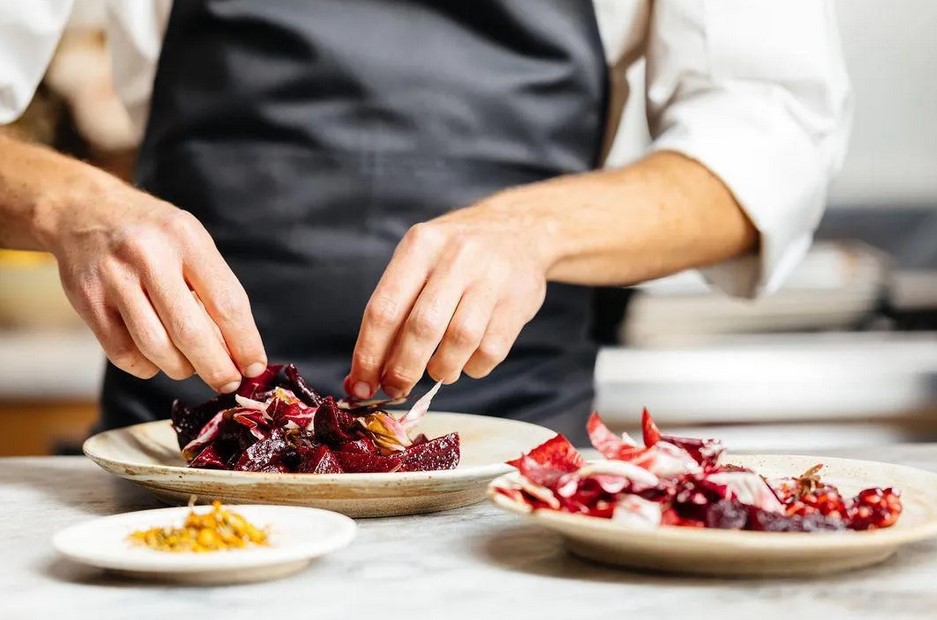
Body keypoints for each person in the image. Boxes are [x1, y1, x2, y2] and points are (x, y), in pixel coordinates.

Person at [0, 1, 851, 440]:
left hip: (506, 463)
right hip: (173, 466)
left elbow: (771, 137)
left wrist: (535, 228)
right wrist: (69, 203)